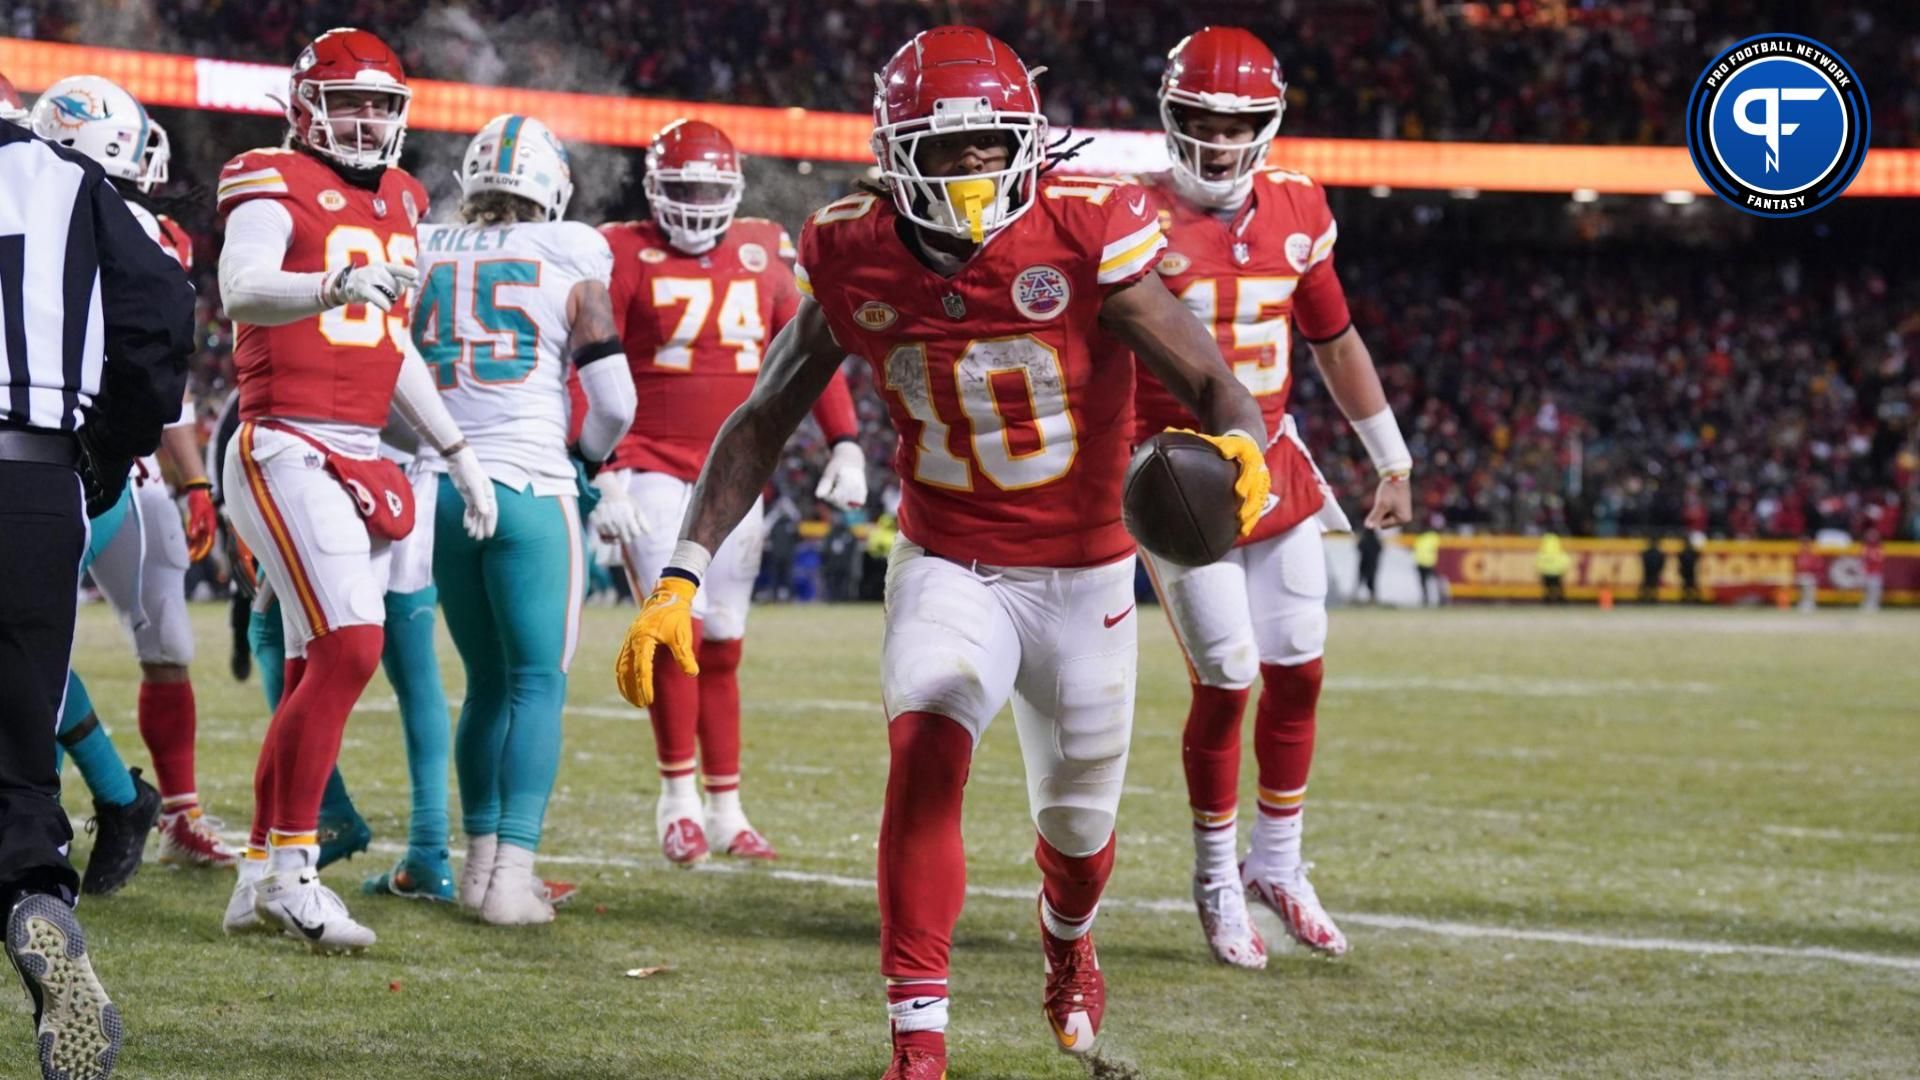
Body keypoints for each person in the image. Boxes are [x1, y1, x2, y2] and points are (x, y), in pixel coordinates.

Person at [612, 26, 1268, 1077]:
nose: (968, 169)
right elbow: (761, 418)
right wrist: (681, 574)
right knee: (926, 746)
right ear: (892, 149)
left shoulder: (1086, 224)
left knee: (1080, 830)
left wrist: (1244, 446)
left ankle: (1066, 942)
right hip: (950, 560)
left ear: (1027, 138)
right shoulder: (848, 244)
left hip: (1087, 568)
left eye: (987, 145)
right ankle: (918, 1045)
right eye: (944, 147)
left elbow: (1211, 379)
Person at [1129, 26, 1413, 967]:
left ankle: (1277, 863)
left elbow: (1334, 340)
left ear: (1270, 122)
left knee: (1301, 667)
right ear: (1171, 120)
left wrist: (1391, 456)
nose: (1216, 143)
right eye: (1200, 122)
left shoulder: (1299, 205)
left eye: (1237, 123)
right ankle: (1215, 877)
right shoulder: (1125, 212)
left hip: (1276, 461)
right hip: (1176, 472)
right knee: (1229, 676)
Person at [214, 27, 496, 954]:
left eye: (382, 103)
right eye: (349, 101)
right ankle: (294, 873)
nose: (368, 119)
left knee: (312, 662)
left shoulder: (407, 197)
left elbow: (390, 342)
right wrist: (335, 280)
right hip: (283, 438)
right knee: (351, 646)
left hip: (359, 446)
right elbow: (242, 288)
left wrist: (455, 447)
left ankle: (260, 871)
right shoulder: (267, 174)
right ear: (304, 106)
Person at [598, 118, 869, 865]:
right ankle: (677, 801)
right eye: (680, 188)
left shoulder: (762, 248)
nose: (693, 203)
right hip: (650, 462)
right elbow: (589, 363)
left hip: (735, 478)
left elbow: (811, 351)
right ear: (653, 188)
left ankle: (726, 807)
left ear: (735, 189)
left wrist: (845, 440)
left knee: (722, 644)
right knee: (675, 631)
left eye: (708, 189)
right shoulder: (622, 249)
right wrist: (604, 468)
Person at [1, 83, 194, 1080]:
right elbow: (163, 316)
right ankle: (38, 889)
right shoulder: (72, 184)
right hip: (34, 472)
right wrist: (102, 456)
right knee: (19, 753)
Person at [411, 114, 635, 924]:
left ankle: (476, 869)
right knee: (538, 681)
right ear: (555, 188)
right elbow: (615, 402)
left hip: (440, 485)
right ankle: (511, 878)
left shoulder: (424, 245)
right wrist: (586, 463)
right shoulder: (570, 250)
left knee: (483, 685)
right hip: (532, 485)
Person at [30, 78, 234, 870]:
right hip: (98, 463)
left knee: (148, 638)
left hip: (104, 468)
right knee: (40, 638)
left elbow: (164, 379)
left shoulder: (128, 225)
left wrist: (193, 483)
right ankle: (123, 798)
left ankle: (157, 806)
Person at [1537, 533, 1570, 604]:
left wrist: (1540, 570)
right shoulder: (1559, 551)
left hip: (1546, 572)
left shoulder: (1543, 552)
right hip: (1557, 572)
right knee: (1558, 585)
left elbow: (1538, 561)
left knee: (1547, 585)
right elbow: (1565, 560)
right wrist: (1563, 569)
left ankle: (1547, 598)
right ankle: (1560, 597)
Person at [1414, 527, 1442, 606]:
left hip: (1425, 563)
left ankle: (1429, 599)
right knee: (1428, 582)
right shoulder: (1432, 537)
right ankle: (1428, 599)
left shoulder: (1423, 537)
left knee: (1425, 583)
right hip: (1427, 562)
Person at [1356, 526, 1382, 604]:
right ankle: (1372, 598)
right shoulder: (1376, 541)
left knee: (1360, 580)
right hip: (1373, 564)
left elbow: (1359, 548)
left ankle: (1356, 596)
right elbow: (1380, 550)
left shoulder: (1364, 540)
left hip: (1364, 563)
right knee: (1371, 581)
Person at [1860, 530, 1884, 612]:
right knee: (1866, 590)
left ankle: (1875, 605)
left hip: (1876, 573)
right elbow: (1863, 560)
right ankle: (1867, 604)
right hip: (1867, 572)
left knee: (1875, 590)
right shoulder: (1865, 548)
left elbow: (1879, 559)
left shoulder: (1879, 548)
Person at [1795, 538, 1820, 612]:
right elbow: (1798, 566)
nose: (1804, 547)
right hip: (1802, 575)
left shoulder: (1812, 554)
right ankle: (1802, 603)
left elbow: (1815, 566)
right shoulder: (1800, 554)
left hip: (1810, 575)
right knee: (1801, 589)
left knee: (1810, 587)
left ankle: (1810, 604)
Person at [1639, 534, 1665, 604]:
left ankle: (1648, 598)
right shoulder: (1658, 553)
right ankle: (1650, 598)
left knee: (1650, 585)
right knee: (1650, 585)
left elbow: (1644, 561)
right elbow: (1661, 562)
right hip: (1652, 571)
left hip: (1650, 571)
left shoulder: (1647, 553)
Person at [1678, 531, 1703, 603]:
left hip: (1688, 570)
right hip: (1688, 570)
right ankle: (1689, 598)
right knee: (1689, 585)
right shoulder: (1688, 551)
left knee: (1690, 585)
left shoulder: (1685, 551)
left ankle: (1690, 598)